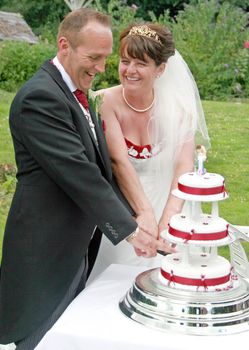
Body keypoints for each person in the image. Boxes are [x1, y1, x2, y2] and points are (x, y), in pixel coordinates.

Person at [0, 11, 170, 349]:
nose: (102, 67)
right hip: (46, 250)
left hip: (76, 244)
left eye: (106, 58)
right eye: (94, 57)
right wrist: (133, 230)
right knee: (39, 334)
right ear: (65, 46)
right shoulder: (40, 98)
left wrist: (138, 218)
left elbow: (101, 171)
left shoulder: (75, 92)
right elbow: (81, 175)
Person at [89, 23, 210, 281]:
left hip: (171, 200)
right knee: (115, 283)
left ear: (160, 69)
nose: (130, 71)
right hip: (126, 205)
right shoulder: (104, 102)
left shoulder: (180, 110)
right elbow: (119, 162)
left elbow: (183, 166)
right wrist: (144, 217)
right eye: (125, 61)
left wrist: (167, 221)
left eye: (141, 64)